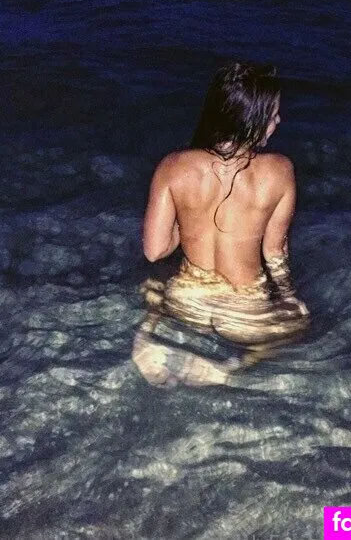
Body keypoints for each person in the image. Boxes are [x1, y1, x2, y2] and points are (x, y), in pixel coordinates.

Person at [132, 61, 310, 387]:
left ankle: (145, 336)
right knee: (301, 325)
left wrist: (189, 221)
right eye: (272, 115)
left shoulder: (173, 165)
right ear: (252, 118)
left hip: (186, 300)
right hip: (244, 313)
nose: (278, 121)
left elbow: (155, 251)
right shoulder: (280, 170)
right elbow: (274, 251)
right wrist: (287, 296)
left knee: (155, 284)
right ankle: (229, 367)